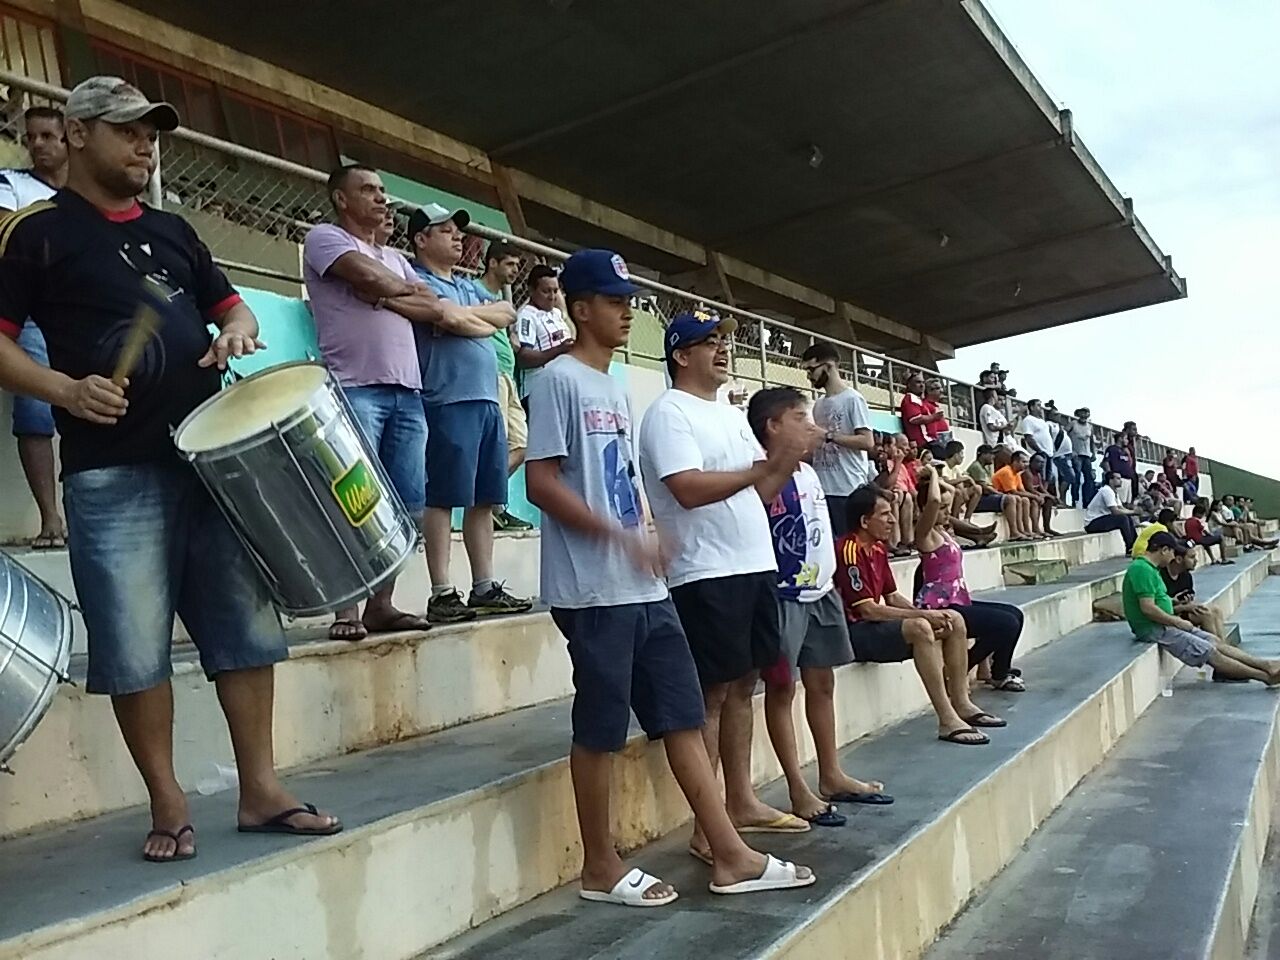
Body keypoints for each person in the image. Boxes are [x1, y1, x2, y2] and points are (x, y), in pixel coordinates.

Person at [0, 77, 340, 861]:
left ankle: (261, 789)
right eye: (127, 130)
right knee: (131, 646)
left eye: (151, 133)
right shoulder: (37, 233)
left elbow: (232, 307)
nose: (145, 145)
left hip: (214, 463)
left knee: (246, 628)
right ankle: (167, 800)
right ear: (77, 133)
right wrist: (63, 390)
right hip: (109, 471)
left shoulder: (173, 230)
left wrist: (238, 332)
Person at [525, 250, 812, 905]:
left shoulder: (614, 385)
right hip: (592, 589)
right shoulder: (559, 381)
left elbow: (619, 478)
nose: (627, 312)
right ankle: (599, 866)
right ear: (579, 309)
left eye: (629, 301)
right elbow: (541, 482)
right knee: (600, 727)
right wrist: (617, 536)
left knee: (684, 716)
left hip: (644, 585)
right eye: (613, 301)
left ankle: (730, 854)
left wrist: (646, 530)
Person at [638, 310, 814, 862]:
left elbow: (757, 493)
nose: (721, 349)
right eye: (708, 342)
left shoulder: (732, 415)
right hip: (705, 571)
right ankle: (707, 826)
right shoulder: (669, 413)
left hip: (751, 563)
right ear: (680, 355)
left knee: (744, 685)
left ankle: (740, 801)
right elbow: (688, 489)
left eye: (722, 340)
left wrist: (784, 459)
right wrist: (763, 469)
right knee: (712, 694)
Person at [304, 165, 436, 641]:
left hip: (408, 392)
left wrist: (383, 294)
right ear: (341, 199)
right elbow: (362, 273)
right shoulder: (325, 238)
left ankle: (380, 605)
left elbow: (431, 307)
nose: (382, 198)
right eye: (369, 190)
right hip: (355, 388)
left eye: (383, 190)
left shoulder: (396, 259)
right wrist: (399, 289)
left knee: (407, 504)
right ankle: (347, 611)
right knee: (352, 500)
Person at [748, 387, 890, 826]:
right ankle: (797, 786)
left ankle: (831, 773)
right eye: (801, 419)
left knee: (822, 683)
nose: (813, 427)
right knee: (782, 689)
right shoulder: (760, 471)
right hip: (783, 596)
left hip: (820, 592)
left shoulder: (809, 473)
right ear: (773, 426)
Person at [408, 203, 533, 622]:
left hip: (486, 400)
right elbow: (447, 317)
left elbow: (505, 313)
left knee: (484, 497)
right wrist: (472, 319)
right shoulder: (416, 280)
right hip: (448, 398)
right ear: (421, 239)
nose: (457, 237)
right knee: (443, 496)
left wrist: (467, 318)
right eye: (445, 231)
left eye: (457, 231)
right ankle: (442, 592)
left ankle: (484, 586)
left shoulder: (464, 285)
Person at [836, 486, 1004, 745]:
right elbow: (867, 609)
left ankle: (962, 702)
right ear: (864, 521)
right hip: (853, 632)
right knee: (920, 628)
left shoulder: (878, 548)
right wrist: (923, 617)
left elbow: (892, 596)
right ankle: (946, 718)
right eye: (885, 515)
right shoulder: (848, 550)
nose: (893, 520)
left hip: (874, 624)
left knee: (954, 620)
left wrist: (930, 614)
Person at [0, 105, 68, 548]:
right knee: (36, 411)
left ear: (69, 139)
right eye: (31, 138)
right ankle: (51, 520)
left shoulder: (81, 196)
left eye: (47, 136)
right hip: (29, 312)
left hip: (78, 311)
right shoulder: (11, 183)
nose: (37, 145)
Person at [914, 466, 1026, 691]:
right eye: (942, 509)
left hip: (958, 601)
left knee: (1015, 614)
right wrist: (933, 474)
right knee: (1007, 624)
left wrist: (937, 481)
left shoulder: (943, 530)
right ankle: (965, 667)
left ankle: (999, 671)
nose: (947, 512)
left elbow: (949, 493)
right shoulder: (925, 535)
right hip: (941, 606)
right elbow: (934, 500)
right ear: (927, 510)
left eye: (947, 508)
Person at [1122, 533, 1280, 684]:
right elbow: (1148, 608)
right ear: (1164, 550)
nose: (1172, 558)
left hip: (1165, 624)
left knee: (1215, 642)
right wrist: (1177, 622)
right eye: (1172, 553)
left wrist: (1173, 602)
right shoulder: (1141, 569)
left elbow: (1155, 599)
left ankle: (1266, 665)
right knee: (1210, 651)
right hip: (1155, 629)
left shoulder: (1150, 569)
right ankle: (1264, 677)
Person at [472, 240, 533, 532]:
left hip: (508, 375)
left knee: (521, 444)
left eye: (517, 265)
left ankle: (489, 499)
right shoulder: (473, 290)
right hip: (490, 373)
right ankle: (491, 507)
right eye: (509, 263)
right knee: (496, 444)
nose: (515, 270)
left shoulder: (502, 299)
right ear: (492, 262)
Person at [801, 341, 874, 536]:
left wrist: (828, 436)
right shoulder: (818, 404)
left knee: (848, 545)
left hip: (848, 488)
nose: (809, 376)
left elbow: (867, 441)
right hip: (823, 488)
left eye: (811, 369)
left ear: (828, 366)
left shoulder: (853, 399)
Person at [515, 263, 575, 408]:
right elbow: (523, 358)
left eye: (555, 291)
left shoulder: (556, 313)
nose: (552, 297)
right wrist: (559, 350)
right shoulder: (526, 316)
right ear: (531, 290)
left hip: (560, 389)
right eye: (546, 291)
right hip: (537, 393)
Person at [967, 444, 1034, 540]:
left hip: (987, 496)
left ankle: (1021, 530)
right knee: (1010, 499)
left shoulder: (984, 468)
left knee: (1019, 499)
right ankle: (1013, 532)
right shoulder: (976, 467)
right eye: (991, 454)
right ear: (983, 455)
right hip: (979, 500)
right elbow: (985, 488)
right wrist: (1000, 494)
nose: (993, 457)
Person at [993, 448, 1045, 539]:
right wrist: (1035, 496)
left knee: (1027, 500)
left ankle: (1027, 530)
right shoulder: (1007, 471)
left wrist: (1035, 496)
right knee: (1019, 498)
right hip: (998, 496)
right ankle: (1016, 531)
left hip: (1009, 496)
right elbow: (1013, 491)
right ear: (1015, 462)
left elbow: (1022, 490)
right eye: (1023, 462)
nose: (1026, 464)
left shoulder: (1017, 473)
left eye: (1027, 462)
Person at [1084, 472, 1140, 552]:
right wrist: (1133, 512)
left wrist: (1132, 512)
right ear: (1111, 480)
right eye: (1118, 478)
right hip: (1092, 524)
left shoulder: (1114, 492)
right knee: (1122, 519)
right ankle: (1130, 547)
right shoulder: (1106, 490)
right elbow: (1115, 511)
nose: (1121, 481)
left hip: (1102, 519)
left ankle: (1136, 545)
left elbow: (1121, 508)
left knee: (1127, 517)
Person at [900, 372, 947, 449]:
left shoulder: (917, 399)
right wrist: (933, 417)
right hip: (923, 442)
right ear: (909, 385)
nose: (922, 385)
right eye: (918, 382)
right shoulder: (910, 398)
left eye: (923, 382)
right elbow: (914, 419)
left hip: (930, 440)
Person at [1018, 399, 1056, 490]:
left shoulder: (1042, 421)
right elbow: (1029, 437)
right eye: (1038, 405)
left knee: (1047, 477)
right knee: (1040, 476)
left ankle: (1044, 493)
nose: (1040, 408)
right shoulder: (1028, 420)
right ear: (1032, 407)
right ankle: (1039, 493)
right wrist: (1039, 451)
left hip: (1048, 453)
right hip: (1039, 453)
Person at [1022, 453, 1062, 537]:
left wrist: (1051, 496)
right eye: (1038, 462)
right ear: (1031, 462)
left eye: (1043, 462)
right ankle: (1035, 528)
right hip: (1028, 495)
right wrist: (1043, 495)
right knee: (1035, 502)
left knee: (1049, 501)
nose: (1041, 465)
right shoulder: (1027, 473)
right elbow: (1030, 489)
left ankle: (1047, 527)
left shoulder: (1038, 474)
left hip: (1036, 495)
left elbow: (1042, 488)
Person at [940, 439, 981, 520]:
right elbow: (946, 482)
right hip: (947, 494)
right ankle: (955, 519)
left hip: (957, 494)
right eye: (961, 453)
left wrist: (967, 481)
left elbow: (962, 480)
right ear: (956, 455)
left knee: (977, 488)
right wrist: (966, 478)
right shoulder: (943, 465)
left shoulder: (955, 468)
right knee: (958, 492)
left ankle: (967, 519)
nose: (963, 456)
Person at [1068, 408, 1097, 509]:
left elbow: (1092, 441)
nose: (1084, 414)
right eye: (1082, 412)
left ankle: (1087, 501)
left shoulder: (1090, 426)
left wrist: (1094, 453)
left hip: (1086, 455)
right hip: (1076, 454)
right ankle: (1074, 500)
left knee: (1089, 479)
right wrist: (1071, 450)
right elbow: (1065, 435)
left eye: (1086, 412)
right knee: (1076, 478)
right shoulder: (1073, 424)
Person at [1049, 417, 1077, 507]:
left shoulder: (1059, 426)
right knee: (1069, 476)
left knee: (1067, 478)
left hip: (1066, 455)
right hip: (1060, 455)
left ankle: (1063, 501)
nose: (1058, 416)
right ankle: (1061, 499)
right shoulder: (1049, 424)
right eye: (1055, 414)